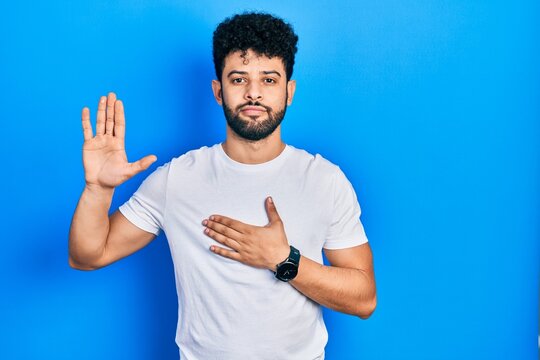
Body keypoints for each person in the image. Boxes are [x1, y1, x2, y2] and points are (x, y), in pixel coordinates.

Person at [69, 11, 377, 360]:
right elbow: (88, 255)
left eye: (269, 80)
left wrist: (283, 259)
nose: (254, 94)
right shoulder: (177, 180)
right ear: (218, 91)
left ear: (289, 91)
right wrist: (98, 190)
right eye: (238, 79)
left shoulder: (325, 180)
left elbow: (364, 298)